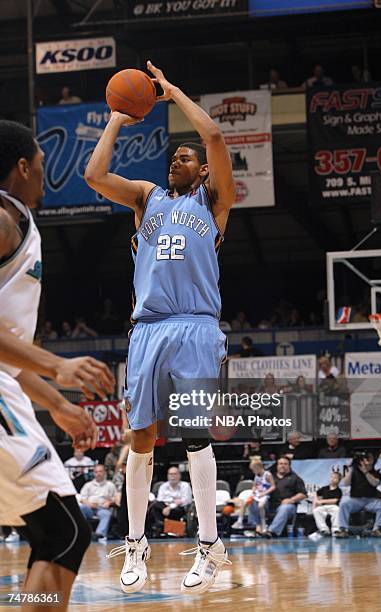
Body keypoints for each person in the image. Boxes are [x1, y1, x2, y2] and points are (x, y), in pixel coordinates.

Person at [85, 60, 235, 595]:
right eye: (175, 153)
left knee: (195, 437)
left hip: (195, 327)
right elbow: (95, 177)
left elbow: (213, 134)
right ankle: (136, 546)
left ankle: (210, 546)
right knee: (141, 438)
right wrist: (116, 118)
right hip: (147, 329)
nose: (180, 155)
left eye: (186, 156)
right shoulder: (147, 198)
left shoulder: (212, 202)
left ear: (201, 172)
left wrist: (172, 91)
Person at [0, 119, 115, 611]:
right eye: (41, 167)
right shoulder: (2, 219)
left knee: (56, 534)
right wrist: (57, 366)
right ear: (22, 166)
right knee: (64, 532)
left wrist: (58, 405)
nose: (44, 179)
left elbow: (7, 351)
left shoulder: (14, 219)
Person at [336, 452, 381, 538]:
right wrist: (351, 469)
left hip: (370, 501)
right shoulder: (354, 471)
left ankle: (377, 529)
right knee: (343, 503)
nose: (366, 461)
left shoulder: (376, 473)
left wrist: (365, 472)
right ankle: (343, 530)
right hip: (356, 500)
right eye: (365, 459)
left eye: (369, 459)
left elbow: (375, 483)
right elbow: (345, 483)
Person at [265, 456, 307, 537]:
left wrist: (291, 500)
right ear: (277, 465)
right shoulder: (270, 477)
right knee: (256, 502)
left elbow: (303, 494)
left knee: (285, 507)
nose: (282, 466)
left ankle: (272, 532)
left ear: (289, 466)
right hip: (270, 505)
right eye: (280, 464)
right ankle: (255, 528)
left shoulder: (295, 478)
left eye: (285, 464)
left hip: (288, 506)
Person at [233, 458, 275, 534]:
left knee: (260, 506)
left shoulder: (268, 475)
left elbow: (273, 486)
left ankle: (263, 523)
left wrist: (265, 493)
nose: (253, 471)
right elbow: (254, 485)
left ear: (258, 467)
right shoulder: (256, 475)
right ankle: (239, 521)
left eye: (253, 469)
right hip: (257, 494)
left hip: (264, 494)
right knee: (245, 503)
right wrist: (253, 491)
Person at [147, 467, 192, 536]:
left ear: (179, 475)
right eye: (170, 474)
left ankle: (162, 526)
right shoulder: (163, 486)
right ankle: (161, 526)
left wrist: (170, 507)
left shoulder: (185, 486)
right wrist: (168, 505)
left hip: (179, 509)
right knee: (154, 505)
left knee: (176, 508)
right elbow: (160, 500)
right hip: (164, 508)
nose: (172, 476)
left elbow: (186, 500)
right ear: (167, 476)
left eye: (175, 474)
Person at [79, 465, 116, 544]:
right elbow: (82, 498)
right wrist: (89, 504)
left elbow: (115, 498)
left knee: (106, 514)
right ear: (93, 473)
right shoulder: (88, 485)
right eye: (96, 472)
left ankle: (99, 534)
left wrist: (109, 502)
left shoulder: (110, 485)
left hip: (102, 508)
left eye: (100, 471)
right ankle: (83, 533)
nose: (98, 474)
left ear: (104, 473)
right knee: (81, 508)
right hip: (89, 508)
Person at [312, 472, 342, 536]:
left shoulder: (338, 490)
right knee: (316, 510)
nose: (333, 479)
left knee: (337, 509)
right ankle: (324, 529)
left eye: (335, 478)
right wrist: (316, 502)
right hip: (324, 507)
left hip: (333, 506)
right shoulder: (324, 488)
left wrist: (322, 501)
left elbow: (335, 500)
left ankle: (335, 529)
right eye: (332, 477)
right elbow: (316, 494)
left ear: (339, 480)